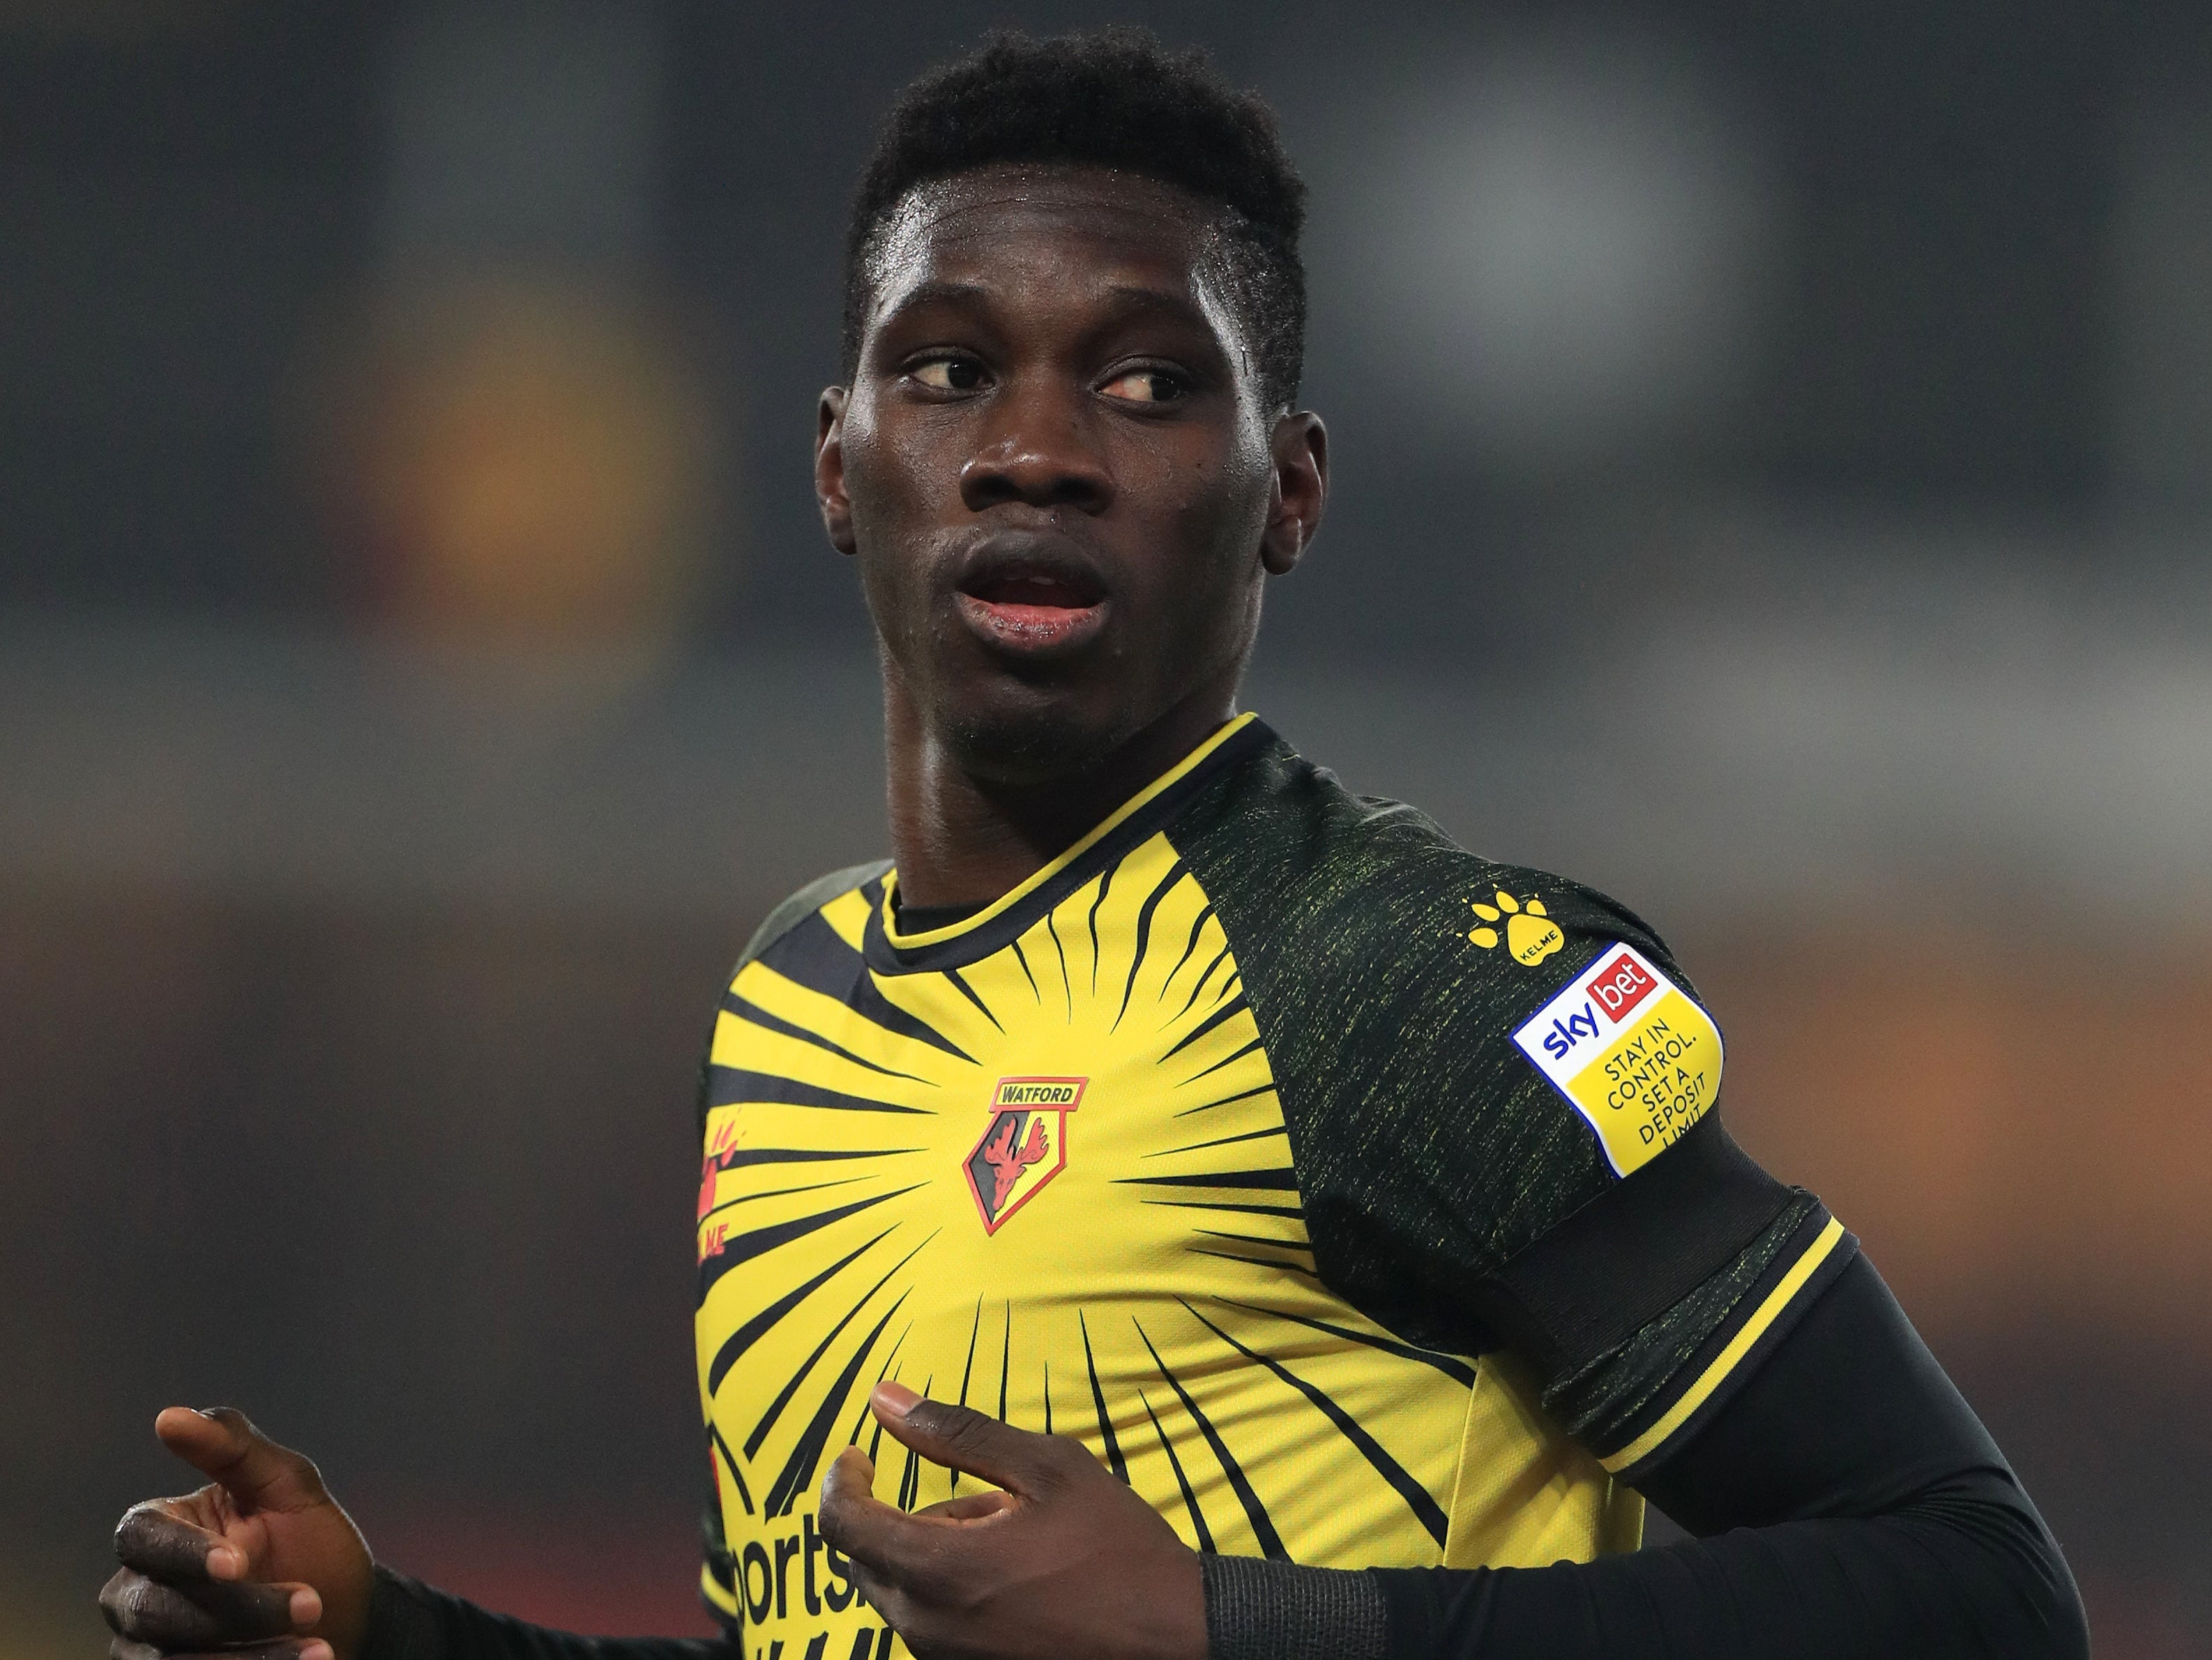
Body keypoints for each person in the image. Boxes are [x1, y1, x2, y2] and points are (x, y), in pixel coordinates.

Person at [100, 28, 2089, 1660]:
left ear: (1287, 492)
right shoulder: (785, 1009)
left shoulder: (1400, 983)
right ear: (835, 465)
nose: (1032, 447)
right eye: (948, 368)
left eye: (1145, 385)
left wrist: (1233, 1630)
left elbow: (1971, 1588)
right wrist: (392, 1635)